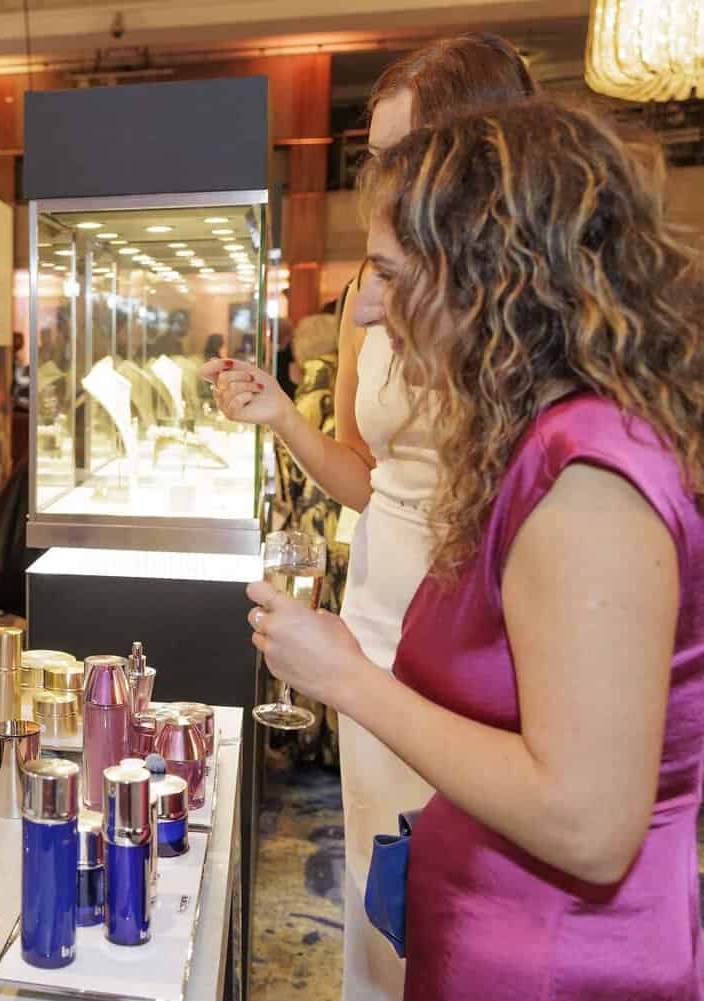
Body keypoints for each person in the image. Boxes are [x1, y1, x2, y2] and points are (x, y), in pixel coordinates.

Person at [250, 97, 704, 1001]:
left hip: (554, 963)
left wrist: (348, 678)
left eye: (386, 272)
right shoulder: (540, 443)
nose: (368, 310)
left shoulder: (586, 477)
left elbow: (586, 822)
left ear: (482, 273)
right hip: (498, 930)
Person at [202, 33, 536, 1001]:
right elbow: (370, 476)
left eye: (410, 153)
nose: (390, 180)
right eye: (381, 158)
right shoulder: (371, 292)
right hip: (382, 609)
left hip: (495, 616)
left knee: (479, 883)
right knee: (378, 870)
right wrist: (277, 416)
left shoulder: (532, 312)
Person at [265, 312, 345, 767]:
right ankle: (339, 745)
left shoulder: (303, 402)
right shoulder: (355, 394)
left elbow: (287, 486)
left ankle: (307, 739)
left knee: (309, 632)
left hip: (312, 540)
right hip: (359, 536)